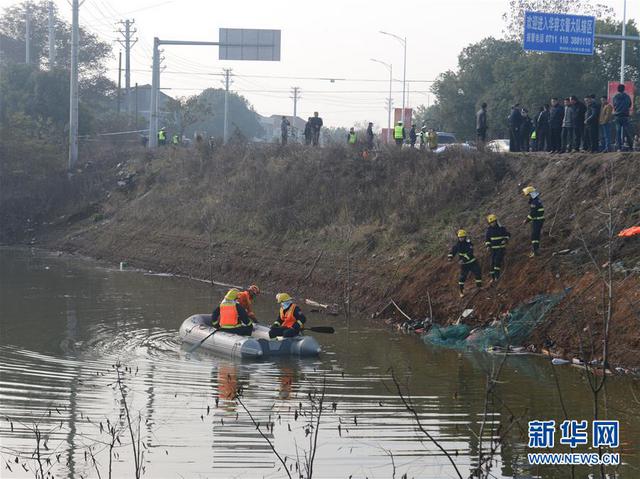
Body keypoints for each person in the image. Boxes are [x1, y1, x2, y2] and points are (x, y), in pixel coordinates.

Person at [448, 230, 482, 298]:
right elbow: (453, 251)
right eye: (460, 237)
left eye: (462, 237)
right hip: (464, 265)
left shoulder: (469, 244)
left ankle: (479, 287)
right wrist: (450, 257)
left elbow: (470, 252)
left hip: (472, 262)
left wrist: (463, 260)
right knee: (462, 277)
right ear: (458, 238)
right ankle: (461, 291)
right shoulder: (457, 245)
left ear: (465, 237)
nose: (461, 239)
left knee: (478, 273)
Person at [484, 214, 511, 283]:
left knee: (497, 262)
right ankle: (493, 278)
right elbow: (487, 240)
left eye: (493, 222)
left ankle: (497, 277)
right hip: (493, 250)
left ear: (496, 221)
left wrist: (505, 240)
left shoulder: (501, 228)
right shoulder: (489, 230)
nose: (492, 224)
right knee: (492, 263)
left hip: (500, 248)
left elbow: (508, 235)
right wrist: (488, 246)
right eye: (491, 223)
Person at [522, 186, 545, 258]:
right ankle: (536, 250)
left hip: (537, 220)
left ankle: (536, 251)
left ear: (531, 194)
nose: (528, 197)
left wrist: (526, 220)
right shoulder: (536, 200)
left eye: (528, 195)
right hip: (537, 220)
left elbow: (533, 213)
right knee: (535, 236)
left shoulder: (534, 202)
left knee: (534, 236)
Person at [612, 83, 633, 151]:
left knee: (618, 132)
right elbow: (630, 104)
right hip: (625, 116)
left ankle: (619, 147)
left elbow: (614, 105)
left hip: (617, 116)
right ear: (624, 89)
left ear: (618, 89)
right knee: (627, 132)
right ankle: (630, 147)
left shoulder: (615, 96)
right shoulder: (627, 96)